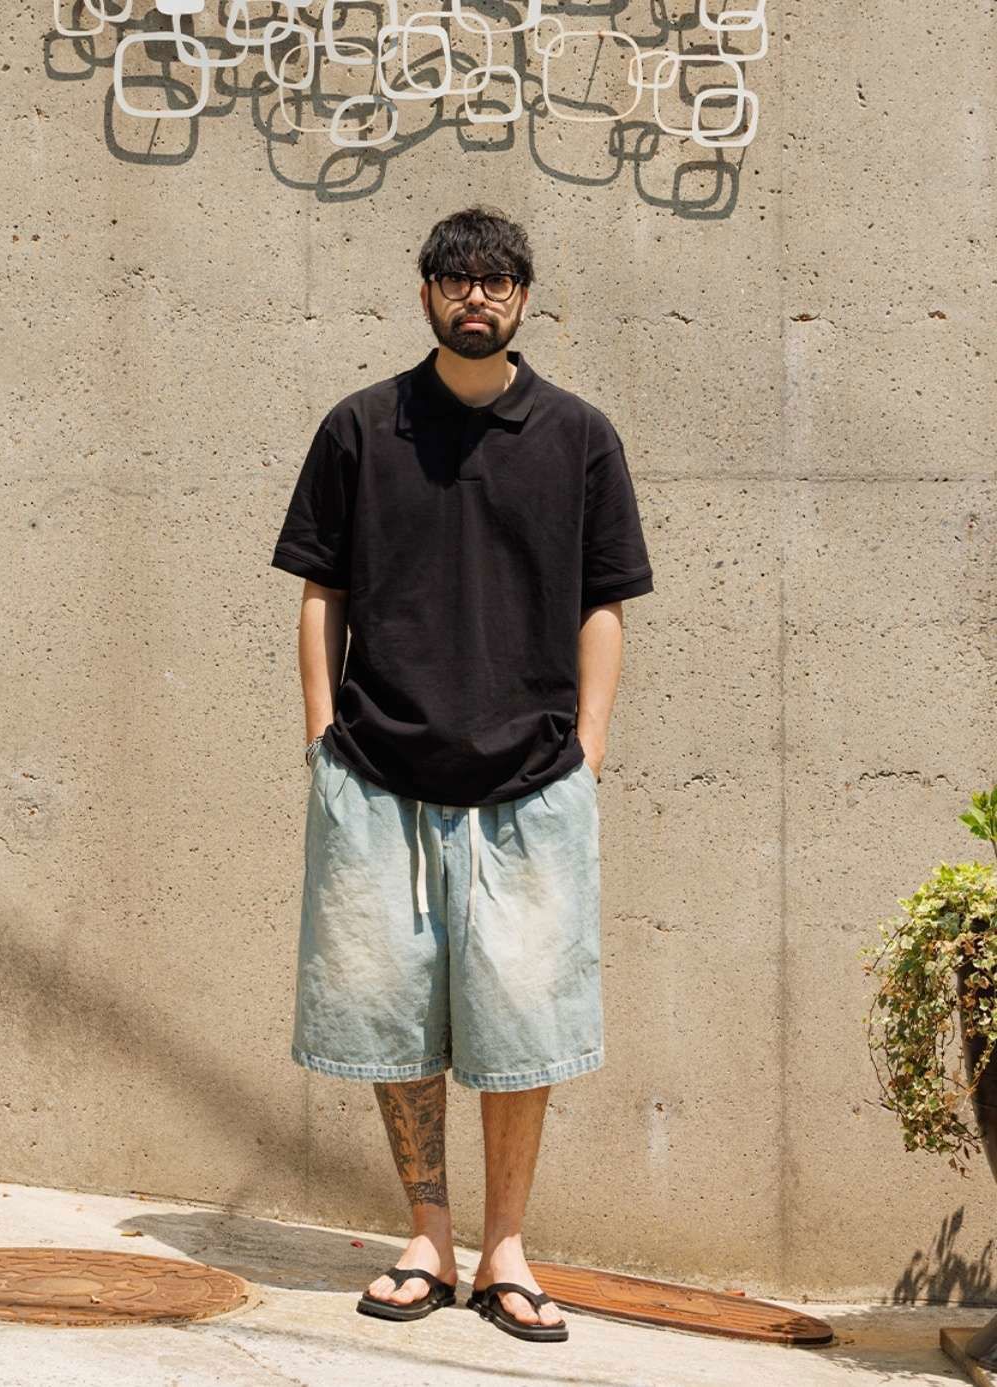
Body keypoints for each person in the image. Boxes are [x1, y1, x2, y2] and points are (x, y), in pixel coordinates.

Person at [269, 205, 654, 1344]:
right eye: (455, 278)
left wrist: (587, 750)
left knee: (522, 1022)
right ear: (426, 292)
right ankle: (428, 1237)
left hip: (534, 782)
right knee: (392, 1014)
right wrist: (322, 734)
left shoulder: (579, 435)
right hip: (377, 771)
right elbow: (322, 588)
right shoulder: (361, 426)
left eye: (496, 280)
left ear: (525, 298)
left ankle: (507, 1249)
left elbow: (605, 601)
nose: (475, 296)